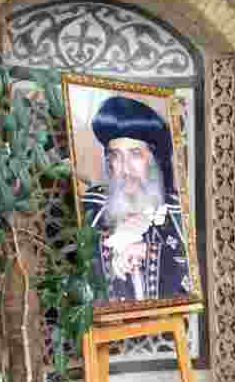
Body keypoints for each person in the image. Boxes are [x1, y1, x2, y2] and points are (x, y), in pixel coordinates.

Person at [81, 96, 191, 304]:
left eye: (135, 154)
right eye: (116, 155)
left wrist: (149, 253)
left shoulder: (180, 210)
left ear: (153, 159)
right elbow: (75, 276)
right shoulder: (92, 207)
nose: (125, 168)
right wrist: (111, 261)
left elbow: (199, 282)